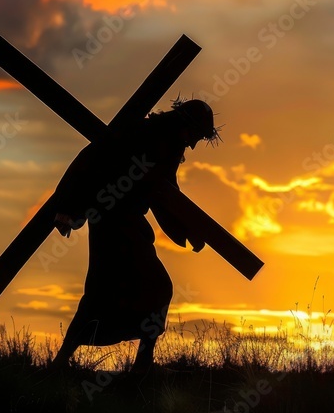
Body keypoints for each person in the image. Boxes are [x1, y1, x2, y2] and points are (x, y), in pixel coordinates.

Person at [48, 98, 220, 371]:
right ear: (184, 124)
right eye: (194, 136)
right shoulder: (140, 133)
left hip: (127, 223)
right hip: (113, 222)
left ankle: (135, 364)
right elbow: (89, 161)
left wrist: (188, 232)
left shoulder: (168, 146)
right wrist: (67, 209)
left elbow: (165, 195)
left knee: (128, 291)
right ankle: (67, 362)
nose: (193, 144)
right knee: (123, 290)